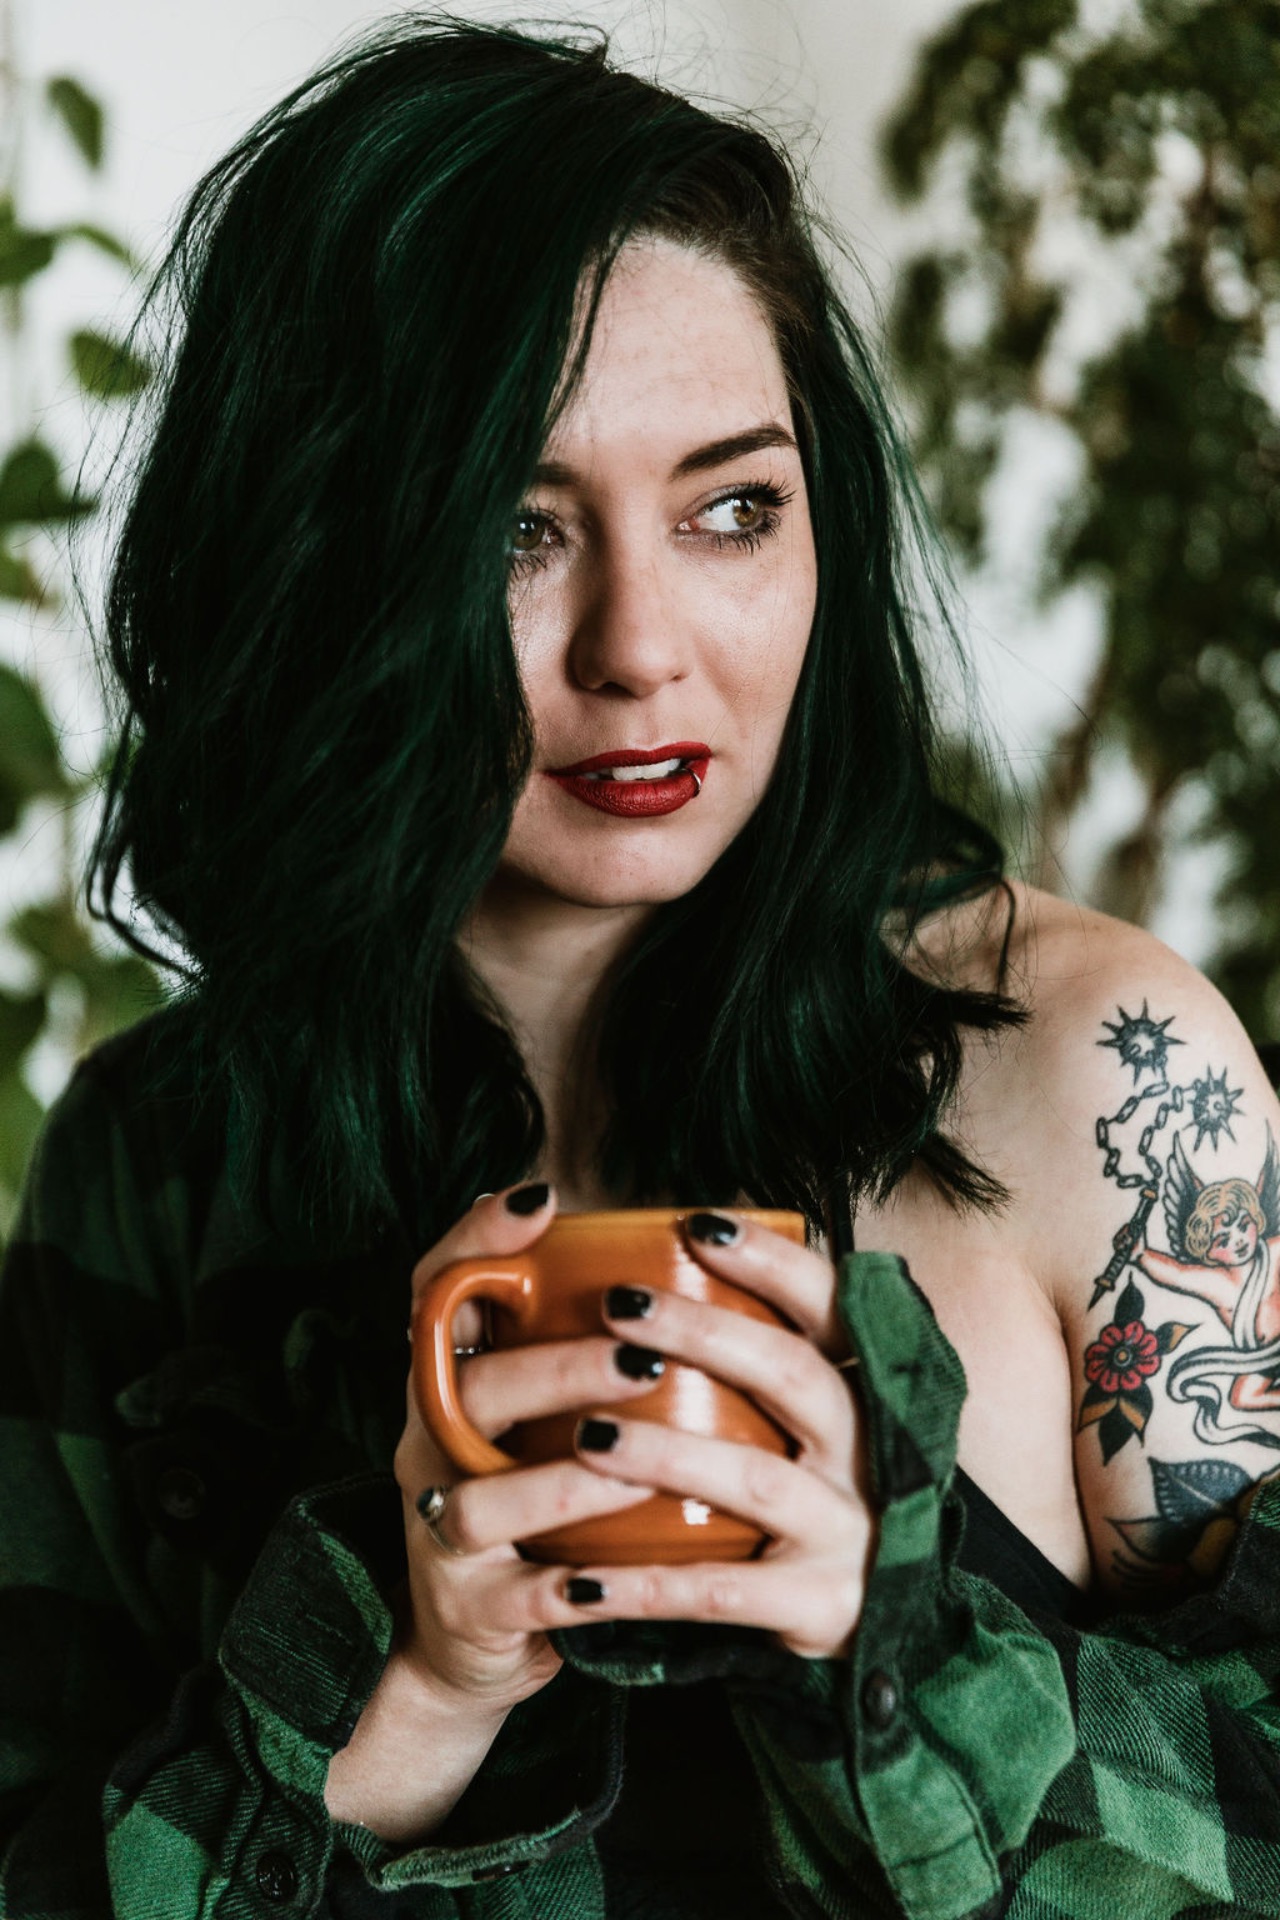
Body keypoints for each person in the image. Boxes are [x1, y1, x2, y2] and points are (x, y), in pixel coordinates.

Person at [3, 16, 1280, 1918]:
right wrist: (412, 1695)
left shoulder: (1106, 1078)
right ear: (325, 557)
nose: (641, 647)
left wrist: (886, 1651)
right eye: (519, 531)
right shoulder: (163, 1163)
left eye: (732, 508)